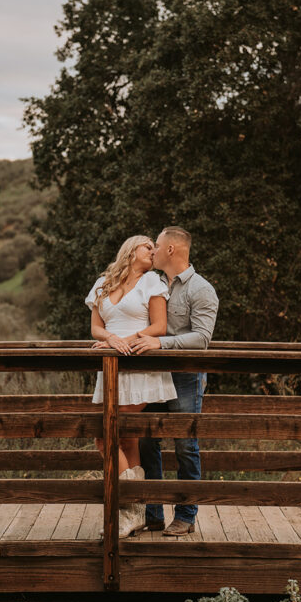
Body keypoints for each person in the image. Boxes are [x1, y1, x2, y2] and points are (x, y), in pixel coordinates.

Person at [86, 235, 177, 537]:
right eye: (147, 246)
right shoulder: (104, 283)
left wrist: (122, 341)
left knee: (107, 435)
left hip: (138, 365)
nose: (153, 251)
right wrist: (109, 339)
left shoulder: (153, 282)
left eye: (155, 248)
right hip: (110, 366)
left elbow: (159, 327)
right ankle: (134, 514)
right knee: (128, 438)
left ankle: (130, 509)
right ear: (130, 250)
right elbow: (96, 327)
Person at [131, 226, 219, 536]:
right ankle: (152, 513)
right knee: (145, 442)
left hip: (185, 377)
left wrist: (161, 343)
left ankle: (185, 516)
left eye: (156, 245)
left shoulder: (202, 289)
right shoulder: (148, 284)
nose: (151, 250)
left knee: (185, 445)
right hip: (151, 377)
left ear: (171, 250)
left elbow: (203, 339)